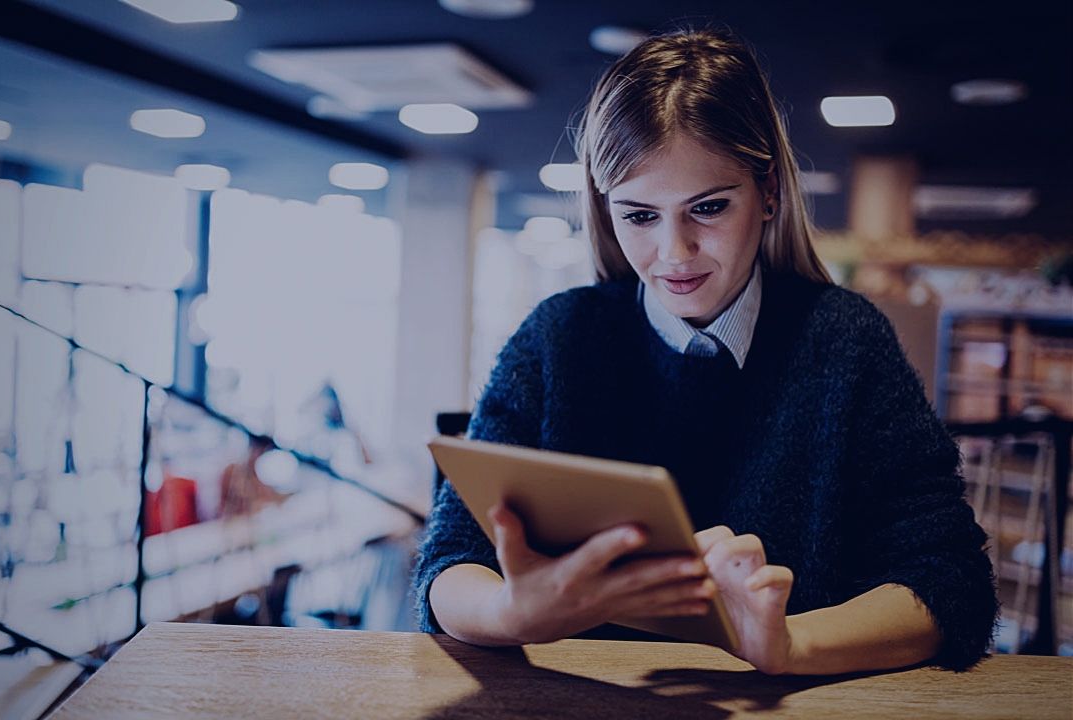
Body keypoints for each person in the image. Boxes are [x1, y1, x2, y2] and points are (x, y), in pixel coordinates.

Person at [413, 27, 998, 675]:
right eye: (639, 215)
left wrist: (787, 643)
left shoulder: (844, 339)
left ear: (769, 192)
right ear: (606, 212)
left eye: (709, 207)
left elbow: (949, 579)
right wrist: (508, 614)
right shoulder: (559, 337)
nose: (674, 253)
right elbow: (449, 563)